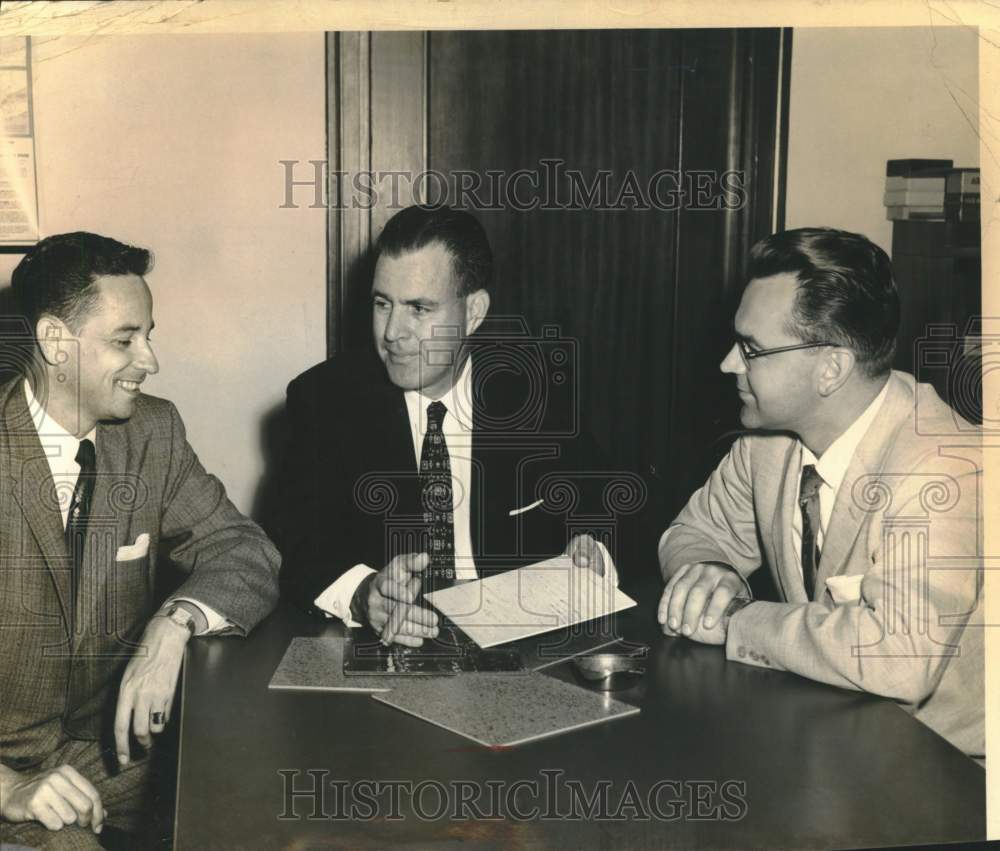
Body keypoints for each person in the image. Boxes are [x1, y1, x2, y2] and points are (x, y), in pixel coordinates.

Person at [657, 227, 983, 759]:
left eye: (751, 349)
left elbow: (897, 658)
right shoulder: (768, 442)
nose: (728, 364)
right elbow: (692, 533)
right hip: (834, 736)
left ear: (831, 368)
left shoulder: (944, 470)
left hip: (949, 772)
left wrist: (739, 618)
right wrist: (707, 571)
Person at [0, 232, 281, 849]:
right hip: (7, 780)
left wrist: (174, 623)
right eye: (124, 340)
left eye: (148, 335)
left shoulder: (152, 433)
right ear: (54, 342)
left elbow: (244, 550)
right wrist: (8, 790)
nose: (149, 360)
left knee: (258, 789)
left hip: (98, 751)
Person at [279, 205, 637, 646]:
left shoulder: (532, 389)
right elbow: (291, 547)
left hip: (519, 653)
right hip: (385, 650)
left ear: (474, 312)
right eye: (382, 304)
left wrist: (593, 550)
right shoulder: (323, 400)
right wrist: (361, 595)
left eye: (419, 308)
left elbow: (610, 502)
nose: (392, 332)